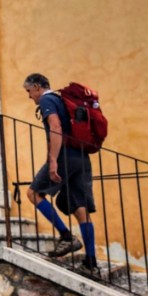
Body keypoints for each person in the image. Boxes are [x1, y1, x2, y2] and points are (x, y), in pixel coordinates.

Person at [23, 73, 99, 278]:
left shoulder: (47, 99)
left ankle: (66, 236)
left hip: (65, 155)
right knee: (80, 208)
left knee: (33, 194)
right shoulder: (61, 100)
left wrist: (54, 160)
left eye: (29, 91)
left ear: (37, 86)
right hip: (81, 157)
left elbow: (56, 128)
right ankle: (91, 263)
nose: (30, 96)